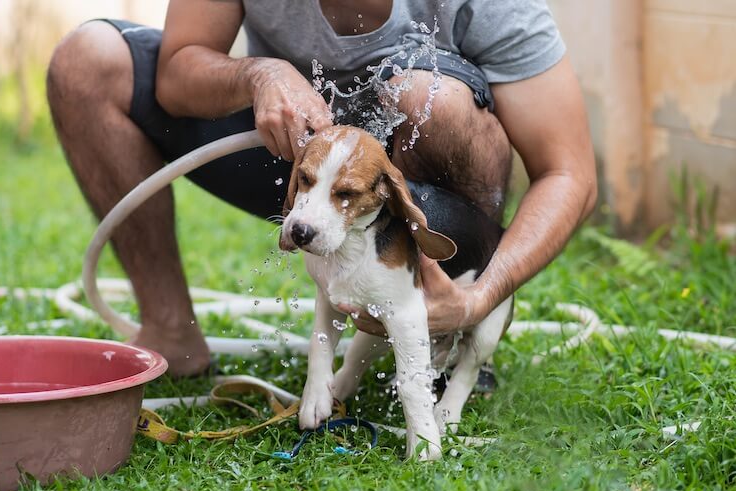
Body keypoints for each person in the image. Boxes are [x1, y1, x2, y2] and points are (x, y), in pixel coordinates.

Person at [47, 0, 597, 377]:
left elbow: (567, 172)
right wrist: (259, 74)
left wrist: (481, 297)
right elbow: (176, 74)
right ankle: (170, 330)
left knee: (425, 97)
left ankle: (450, 332)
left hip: (422, 195)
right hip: (292, 158)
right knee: (88, 61)